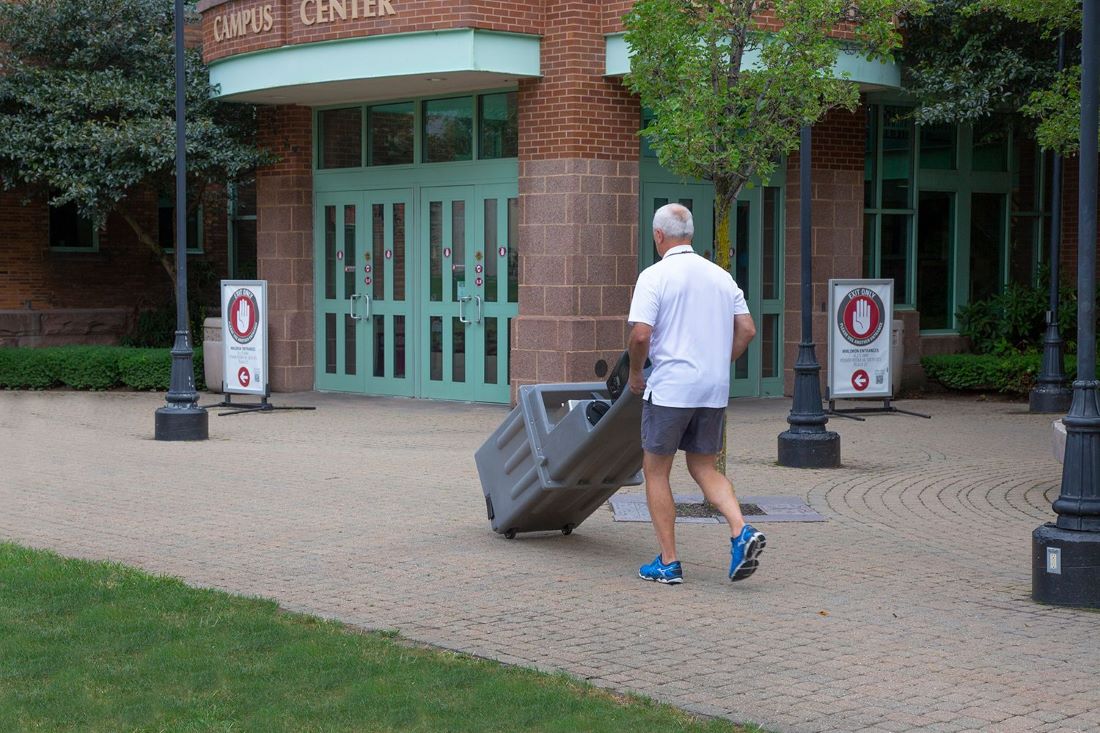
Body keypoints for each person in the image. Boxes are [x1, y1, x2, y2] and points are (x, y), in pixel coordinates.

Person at [627, 203, 765, 585]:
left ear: (659, 236)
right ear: (690, 234)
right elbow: (748, 330)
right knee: (704, 467)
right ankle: (740, 530)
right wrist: (720, 364)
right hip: (713, 390)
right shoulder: (721, 277)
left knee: (656, 470)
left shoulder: (654, 276)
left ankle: (668, 562)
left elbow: (640, 335)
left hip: (671, 388)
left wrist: (636, 373)